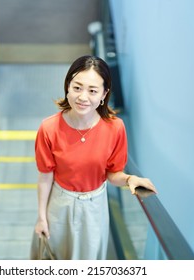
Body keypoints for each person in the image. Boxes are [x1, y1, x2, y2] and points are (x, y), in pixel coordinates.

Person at [30, 55, 157, 260]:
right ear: (68, 86)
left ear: (104, 94)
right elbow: (45, 177)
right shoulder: (49, 128)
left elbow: (112, 174)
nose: (83, 97)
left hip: (95, 205)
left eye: (92, 91)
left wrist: (129, 179)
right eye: (77, 87)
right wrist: (41, 217)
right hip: (60, 204)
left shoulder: (115, 128)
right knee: (56, 257)